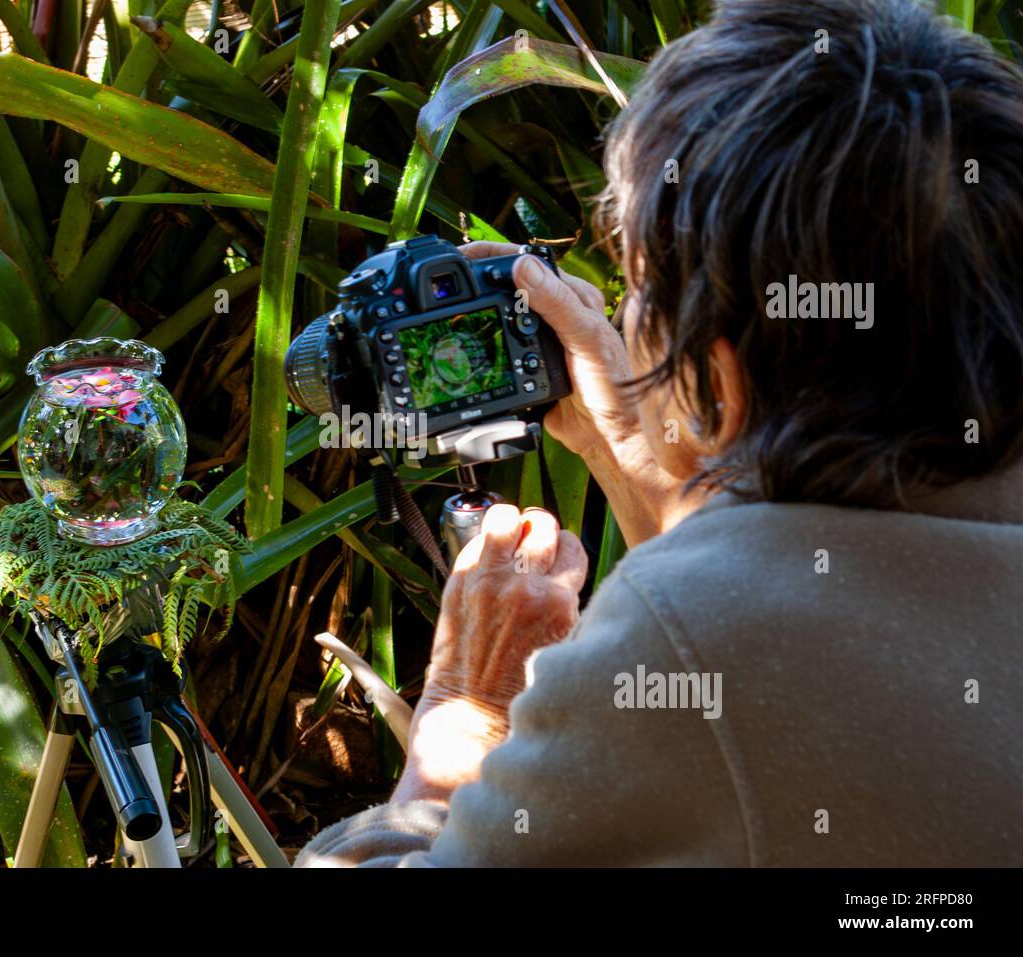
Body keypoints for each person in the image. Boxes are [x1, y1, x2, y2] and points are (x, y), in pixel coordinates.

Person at [297, 0, 1023, 867]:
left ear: (717, 377)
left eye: (637, 291)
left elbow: (739, 649)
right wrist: (649, 468)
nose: (624, 319)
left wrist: (462, 717)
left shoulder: (689, 634)